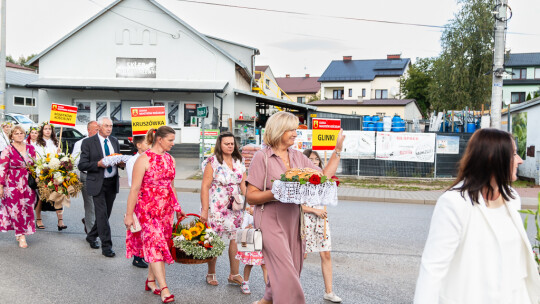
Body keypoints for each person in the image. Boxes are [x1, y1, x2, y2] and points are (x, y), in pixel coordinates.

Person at [414, 128, 540, 304]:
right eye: (513, 154)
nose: (519, 160)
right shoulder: (454, 203)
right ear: (492, 158)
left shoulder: (512, 198)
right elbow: (433, 269)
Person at [245, 112, 345, 304]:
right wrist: (279, 192)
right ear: (279, 130)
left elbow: (323, 175)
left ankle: (266, 300)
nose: (295, 133)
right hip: (269, 218)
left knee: (293, 267)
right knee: (286, 272)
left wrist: (337, 150)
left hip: (294, 218)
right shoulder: (262, 157)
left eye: (295, 130)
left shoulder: (297, 156)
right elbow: (251, 196)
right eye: (291, 130)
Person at [125, 126, 183, 303]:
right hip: (147, 209)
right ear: (159, 139)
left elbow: (171, 186)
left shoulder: (171, 159)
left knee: (159, 244)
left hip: (166, 210)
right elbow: (134, 188)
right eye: (170, 140)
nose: (173, 143)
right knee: (154, 244)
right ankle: (164, 288)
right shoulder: (143, 160)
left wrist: (177, 207)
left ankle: (151, 281)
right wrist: (128, 214)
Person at [200, 131, 246, 286]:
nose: (230, 146)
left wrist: (250, 203)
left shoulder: (239, 160)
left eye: (232, 143)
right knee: (214, 239)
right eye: (227, 143)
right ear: (220, 145)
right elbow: (205, 186)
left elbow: (243, 185)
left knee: (235, 239)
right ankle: (211, 273)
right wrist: (205, 210)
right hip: (217, 205)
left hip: (235, 206)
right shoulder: (212, 161)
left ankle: (234, 274)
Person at [301, 149, 342, 303]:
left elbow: (328, 200)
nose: (314, 162)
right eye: (310, 159)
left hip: (321, 220)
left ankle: (329, 292)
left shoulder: (323, 178)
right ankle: (292, 290)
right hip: (305, 220)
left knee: (326, 254)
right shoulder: (300, 180)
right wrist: (313, 210)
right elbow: (295, 206)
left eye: (316, 159)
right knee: (301, 256)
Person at [78, 117, 122, 258]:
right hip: (97, 182)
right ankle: (107, 246)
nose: (109, 128)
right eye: (106, 126)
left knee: (105, 215)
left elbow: (117, 159)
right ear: (99, 126)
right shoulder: (88, 142)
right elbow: (82, 165)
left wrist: (122, 163)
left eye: (111, 126)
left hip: (111, 182)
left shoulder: (114, 141)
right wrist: (98, 164)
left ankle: (91, 236)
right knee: (102, 215)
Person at [0, 126, 38, 248]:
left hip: (27, 182)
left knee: (27, 207)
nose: (19, 135)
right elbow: (2, 168)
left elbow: (35, 165)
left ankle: (20, 229)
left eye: (21, 133)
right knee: (16, 209)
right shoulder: (8, 149)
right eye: (16, 133)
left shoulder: (31, 148)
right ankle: (21, 234)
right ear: (11, 136)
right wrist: (0, 186)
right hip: (12, 183)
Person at [34, 122, 65, 231]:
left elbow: (58, 157)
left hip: (55, 172)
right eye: (45, 129)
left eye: (49, 129)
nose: (47, 131)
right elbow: (37, 159)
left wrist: (59, 154)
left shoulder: (55, 142)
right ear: (42, 130)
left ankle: (60, 221)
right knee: (42, 197)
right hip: (43, 171)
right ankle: (38, 219)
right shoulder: (37, 144)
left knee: (58, 195)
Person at [125, 135, 150, 269]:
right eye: (147, 142)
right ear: (139, 145)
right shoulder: (133, 161)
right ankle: (137, 257)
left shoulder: (150, 158)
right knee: (138, 228)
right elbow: (132, 183)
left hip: (150, 198)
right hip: (139, 197)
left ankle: (146, 253)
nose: (149, 145)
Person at [72, 121, 99, 234]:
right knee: (91, 205)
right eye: (96, 129)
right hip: (87, 176)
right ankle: (91, 232)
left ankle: (88, 221)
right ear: (89, 130)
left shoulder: (103, 142)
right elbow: (75, 160)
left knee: (101, 206)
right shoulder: (80, 143)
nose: (99, 131)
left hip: (101, 176)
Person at [235, 205, 268, 295]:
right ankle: (245, 283)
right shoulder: (248, 212)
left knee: (265, 266)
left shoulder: (265, 209)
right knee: (249, 264)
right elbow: (243, 226)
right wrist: (247, 227)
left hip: (262, 243)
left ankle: (269, 288)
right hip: (252, 243)